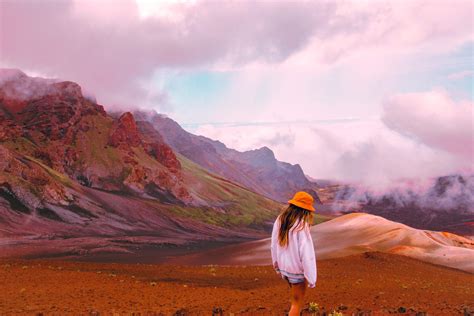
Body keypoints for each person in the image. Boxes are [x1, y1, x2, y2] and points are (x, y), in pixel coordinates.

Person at [271, 191, 317, 316]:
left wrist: (276, 265)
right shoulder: (301, 226)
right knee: (297, 304)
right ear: (305, 210)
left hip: (284, 269)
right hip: (296, 271)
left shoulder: (280, 220)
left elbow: (273, 244)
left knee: (294, 300)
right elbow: (307, 254)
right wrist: (311, 278)